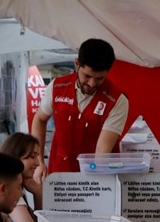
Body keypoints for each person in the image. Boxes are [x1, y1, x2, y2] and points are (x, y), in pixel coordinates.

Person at [30, 38, 130, 174]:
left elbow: (102, 153)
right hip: (59, 173)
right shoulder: (57, 87)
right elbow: (39, 119)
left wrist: (86, 185)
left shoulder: (117, 100)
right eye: (87, 76)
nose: (92, 84)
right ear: (76, 64)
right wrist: (39, 163)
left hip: (95, 176)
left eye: (100, 78)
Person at [0, 131, 45, 222]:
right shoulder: (9, 191)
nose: (38, 163)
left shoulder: (16, 188)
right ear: (15, 158)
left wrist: (38, 193)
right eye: (32, 157)